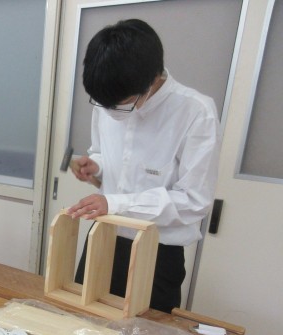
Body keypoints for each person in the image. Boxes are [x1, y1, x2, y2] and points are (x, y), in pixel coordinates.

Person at [66, 19, 221, 313]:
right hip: (103, 238)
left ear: (151, 81)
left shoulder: (195, 112)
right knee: (80, 323)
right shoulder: (109, 101)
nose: (110, 112)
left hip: (156, 252)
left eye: (121, 104)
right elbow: (104, 154)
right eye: (103, 104)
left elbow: (194, 201)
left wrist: (113, 203)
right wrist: (96, 167)